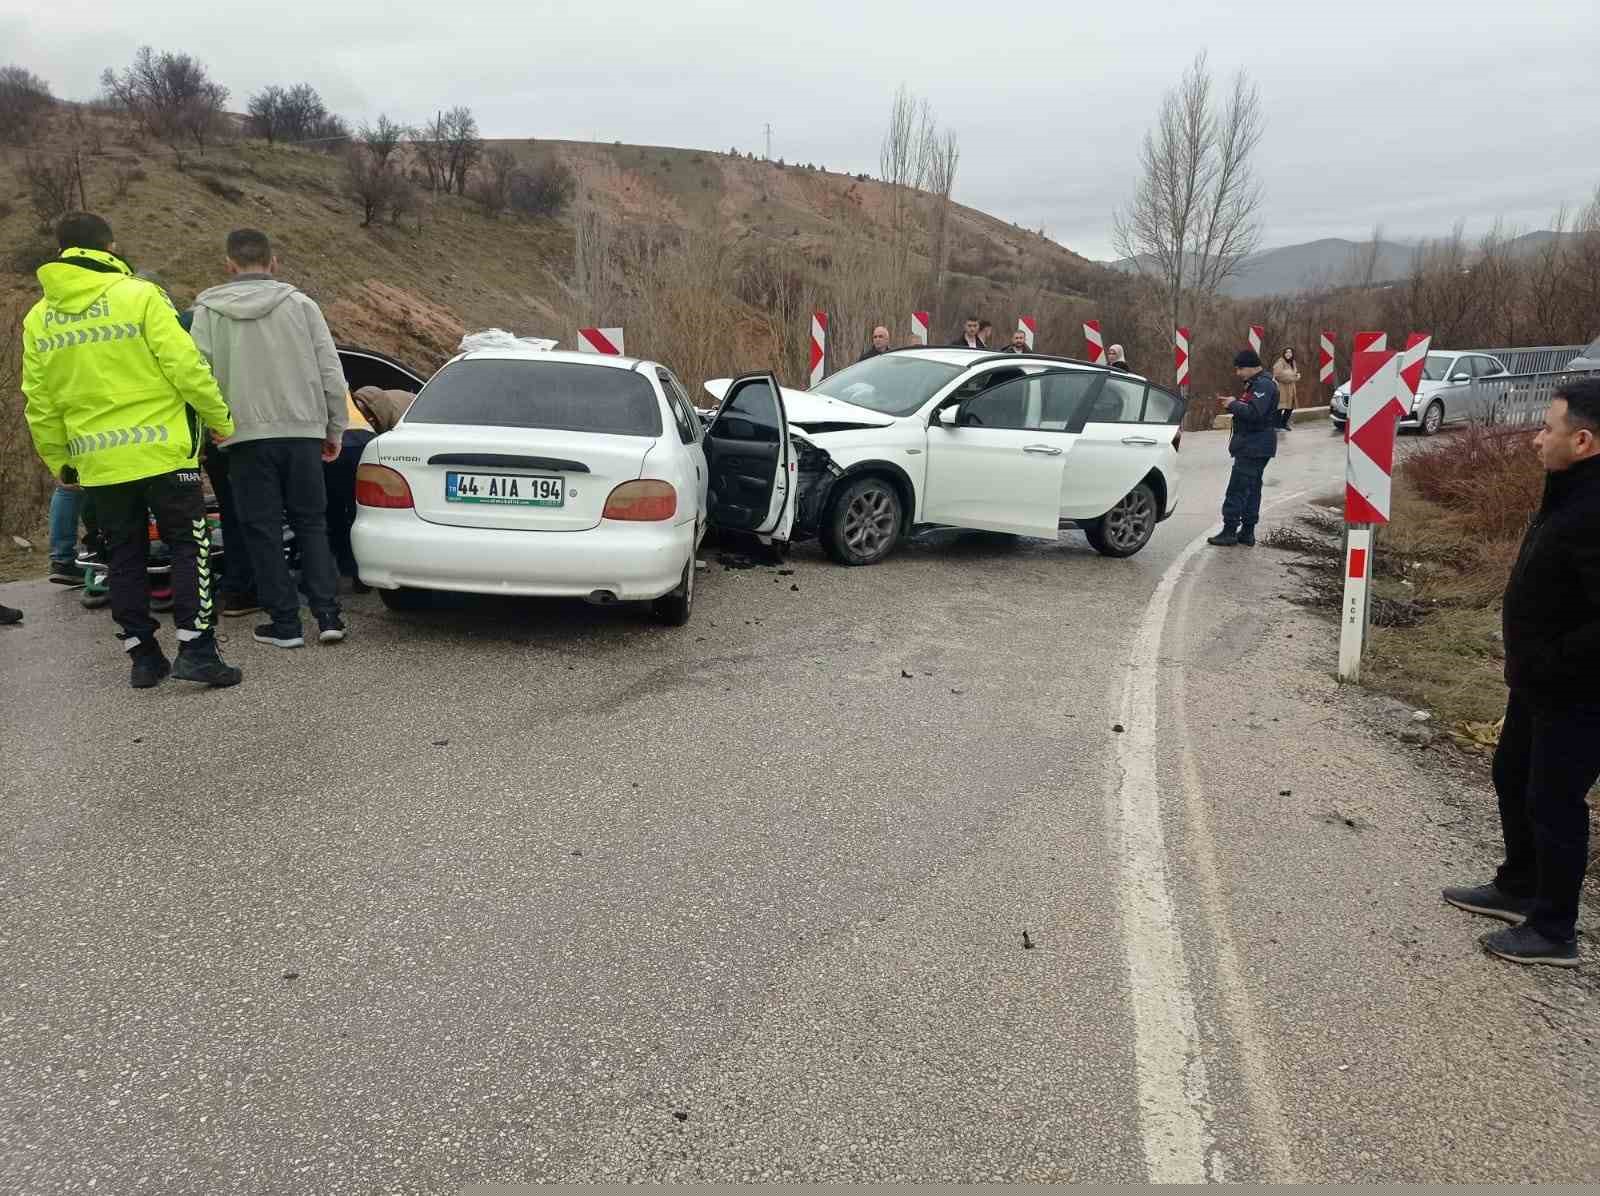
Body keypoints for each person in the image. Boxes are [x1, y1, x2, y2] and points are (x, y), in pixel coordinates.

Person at [21, 212, 241, 688]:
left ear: (61, 251)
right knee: (189, 546)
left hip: (98, 461)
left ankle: (143, 657)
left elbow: (39, 399)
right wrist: (220, 420)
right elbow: (187, 366)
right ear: (111, 245)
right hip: (164, 453)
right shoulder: (141, 295)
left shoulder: (39, 318)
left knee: (122, 555)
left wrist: (60, 458)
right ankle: (197, 650)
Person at [1442, 378, 1600, 967]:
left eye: (1547, 429)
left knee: (1555, 799)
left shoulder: (1594, 507)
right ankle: (1520, 884)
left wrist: (1554, 660)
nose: (1536, 439)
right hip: (1538, 682)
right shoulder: (1569, 490)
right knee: (1512, 774)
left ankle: (1555, 928)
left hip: (1579, 691)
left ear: (1583, 440)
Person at [190, 228, 349, 649]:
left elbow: (196, 375)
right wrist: (334, 428)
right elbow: (331, 372)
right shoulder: (302, 305)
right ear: (273, 262)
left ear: (229, 264)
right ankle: (329, 616)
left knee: (261, 529)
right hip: (301, 432)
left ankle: (285, 625)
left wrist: (210, 428)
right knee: (311, 523)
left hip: (241, 437)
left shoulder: (207, 312)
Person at [1207, 350, 1279, 548]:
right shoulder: (1257, 383)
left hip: (1254, 445)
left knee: (1238, 488)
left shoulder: (1263, 384)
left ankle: (1229, 531)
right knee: (1252, 488)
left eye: (1240, 368)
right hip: (1255, 444)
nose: (1238, 373)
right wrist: (1235, 403)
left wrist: (1233, 404)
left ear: (1252, 366)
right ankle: (1247, 532)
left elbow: (1255, 413)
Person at [1272, 347, 1301, 430]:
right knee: (1280, 407)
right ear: (1284, 354)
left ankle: (1283, 423)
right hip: (1282, 388)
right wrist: (1294, 377)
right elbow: (1279, 375)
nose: (1288, 354)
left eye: (1290, 352)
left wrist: (1294, 375)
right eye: (1287, 352)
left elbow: (1293, 373)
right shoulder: (1280, 362)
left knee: (1290, 407)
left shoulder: (1293, 362)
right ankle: (1276, 425)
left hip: (1291, 389)